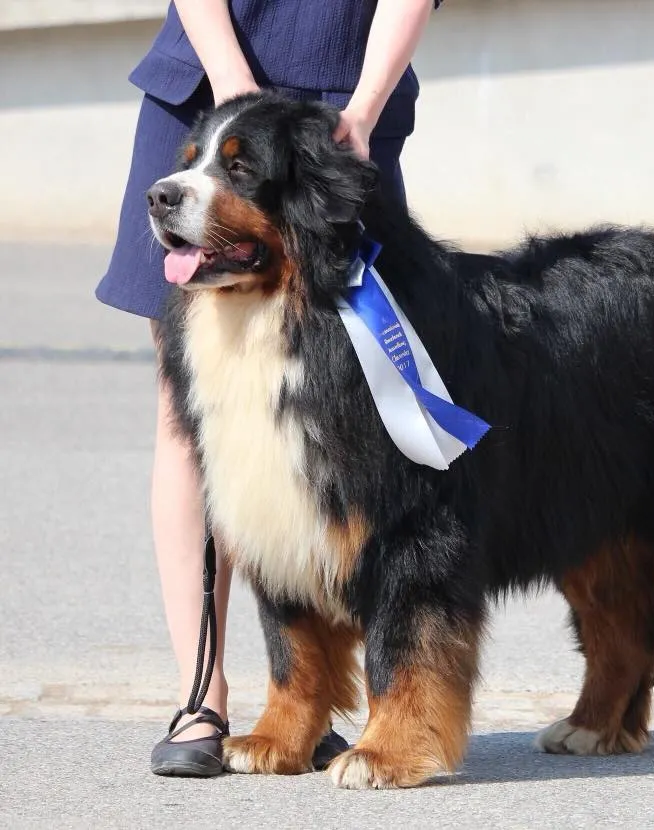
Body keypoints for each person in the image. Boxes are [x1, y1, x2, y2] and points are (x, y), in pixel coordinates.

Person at [95, 0, 442, 777]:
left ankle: (313, 698)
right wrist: (232, 91)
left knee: (357, 408)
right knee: (194, 418)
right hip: (208, 90)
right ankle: (203, 694)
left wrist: (365, 105)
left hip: (345, 113)